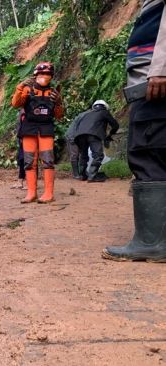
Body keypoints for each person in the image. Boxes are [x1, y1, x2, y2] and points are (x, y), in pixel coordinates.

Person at [103, 0, 166, 262]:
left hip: (154, 84)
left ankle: (151, 242)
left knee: (148, 153)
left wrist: (161, 69)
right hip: (149, 80)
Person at [11, 61, 65, 204]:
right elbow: (16, 104)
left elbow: (59, 116)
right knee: (29, 161)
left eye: (47, 74)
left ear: (51, 76)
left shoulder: (54, 92)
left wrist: (59, 103)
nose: (44, 76)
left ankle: (48, 193)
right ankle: (31, 192)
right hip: (29, 128)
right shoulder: (28, 89)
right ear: (35, 74)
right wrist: (20, 86)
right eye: (41, 73)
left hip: (46, 128)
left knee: (48, 160)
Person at [71, 100, 119, 182]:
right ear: (105, 107)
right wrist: (111, 134)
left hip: (79, 135)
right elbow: (115, 125)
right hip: (93, 134)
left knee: (83, 155)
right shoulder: (104, 112)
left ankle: (83, 175)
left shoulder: (88, 113)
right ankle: (92, 175)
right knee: (98, 155)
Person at [12, 110, 26, 189]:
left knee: (29, 160)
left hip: (28, 137)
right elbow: (20, 125)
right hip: (21, 138)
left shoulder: (29, 109)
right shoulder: (21, 111)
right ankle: (20, 181)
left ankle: (30, 183)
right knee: (21, 159)